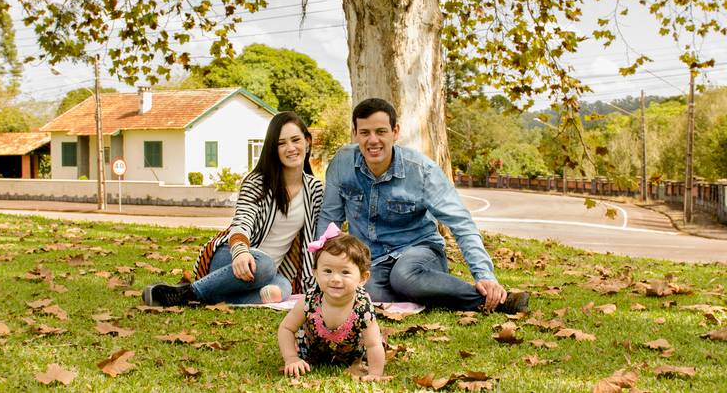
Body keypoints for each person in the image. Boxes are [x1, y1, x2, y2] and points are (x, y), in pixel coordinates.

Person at [318, 98, 529, 314]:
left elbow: (461, 222)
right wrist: (322, 268)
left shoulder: (421, 170)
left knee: (403, 276)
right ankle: (424, 291)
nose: (373, 140)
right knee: (361, 292)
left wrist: (484, 274)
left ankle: (496, 301)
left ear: (395, 132)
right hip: (372, 259)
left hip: (420, 251)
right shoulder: (342, 163)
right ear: (355, 133)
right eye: (365, 133)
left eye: (381, 132)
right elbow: (329, 219)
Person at [142, 111, 324, 306]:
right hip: (232, 257)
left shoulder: (315, 190)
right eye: (281, 143)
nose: (290, 148)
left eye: (295, 140)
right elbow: (242, 222)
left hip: (268, 274)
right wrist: (240, 252)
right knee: (265, 264)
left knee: (282, 289)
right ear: (273, 148)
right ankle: (188, 292)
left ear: (307, 141)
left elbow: (318, 237)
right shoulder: (257, 183)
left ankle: (207, 296)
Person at [278, 223, 385, 379]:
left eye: (345, 272)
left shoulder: (362, 307)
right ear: (315, 273)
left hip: (351, 357)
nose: (335, 279)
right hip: (311, 353)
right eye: (328, 271)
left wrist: (375, 373)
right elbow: (286, 328)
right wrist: (291, 358)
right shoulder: (310, 300)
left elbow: (373, 344)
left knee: (375, 338)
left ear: (363, 278)